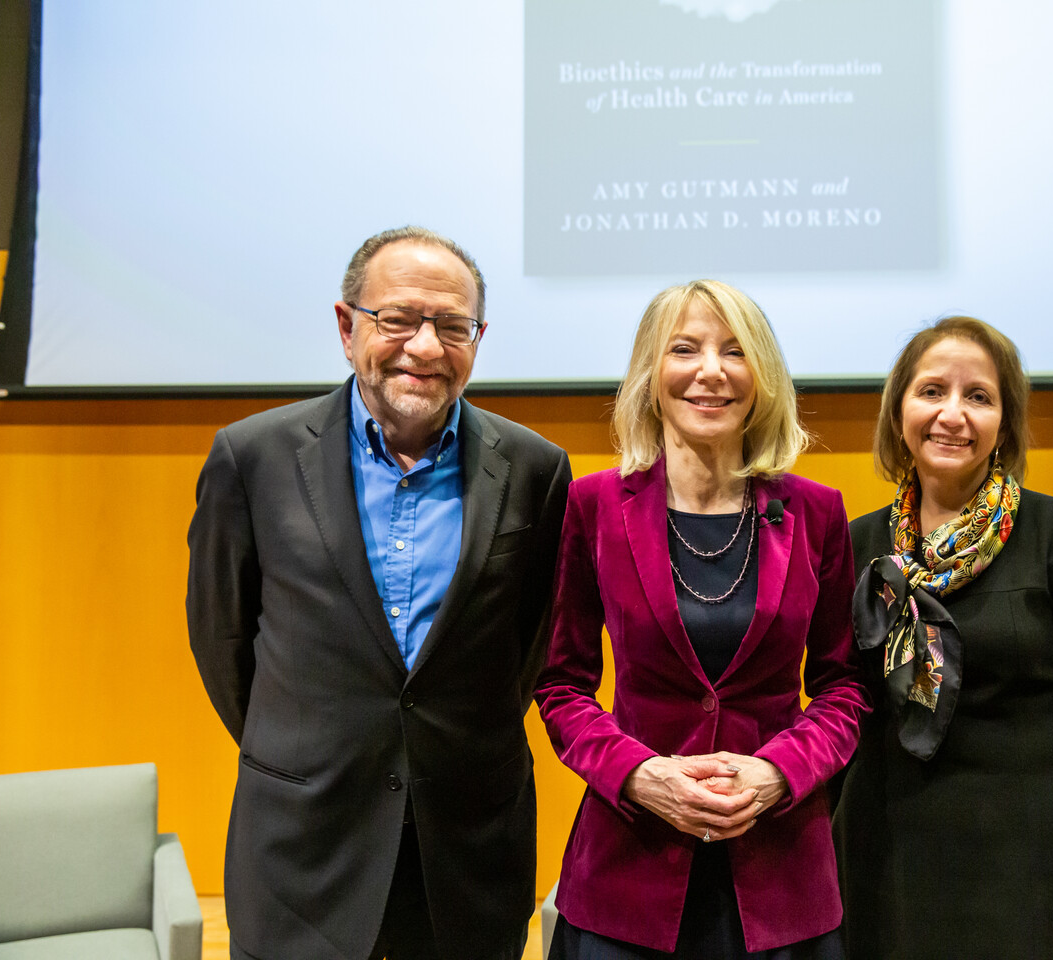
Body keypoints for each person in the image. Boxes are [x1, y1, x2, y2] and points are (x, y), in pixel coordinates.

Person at [187, 226, 572, 960]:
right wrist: (314, 744)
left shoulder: (534, 468)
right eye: (397, 318)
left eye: (452, 326)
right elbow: (224, 639)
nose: (425, 347)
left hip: (465, 848)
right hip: (302, 843)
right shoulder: (253, 457)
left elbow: (528, 647)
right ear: (346, 325)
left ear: (477, 338)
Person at [535, 280, 870, 959]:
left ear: (762, 376)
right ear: (651, 375)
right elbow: (562, 686)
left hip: (780, 880)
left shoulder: (818, 512)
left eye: (734, 351)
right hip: (627, 874)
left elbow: (845, 687)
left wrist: (777, 774)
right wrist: (640, 776)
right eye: (684, 349)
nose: (710, 371)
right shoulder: (592, 506)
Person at [833, 316, 1053, 960]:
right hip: (883, 856)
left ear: (1005, 423)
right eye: (932, 391)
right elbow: (840, 709)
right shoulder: (856, 543)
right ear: (898, 412)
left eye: (979, 397)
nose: (952, 414)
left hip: (1022, 861)